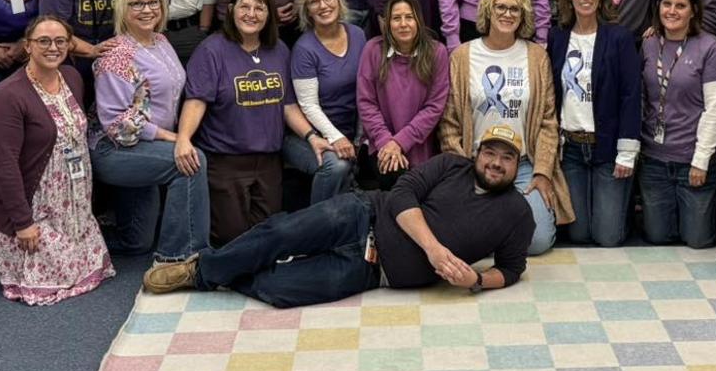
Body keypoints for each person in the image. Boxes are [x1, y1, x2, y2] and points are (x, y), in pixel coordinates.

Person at [139, 126, 536, 307]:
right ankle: (200, 271)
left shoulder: (517, 214)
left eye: (507, 158)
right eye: (491, 152)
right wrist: (433, 250)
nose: (496, 163)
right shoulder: (452, 164)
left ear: (518, 164)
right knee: (282, 231)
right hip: (362, 214)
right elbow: (401, 193)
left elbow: (513, 268)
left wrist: (478, 280)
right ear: (478, 152)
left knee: (282, 290)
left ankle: (229, 271)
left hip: (373, 271)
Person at [0, 15, 115, 305]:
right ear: (27, 46)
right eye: (43, 41)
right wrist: (22, 222)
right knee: (53, 284)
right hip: (31, 204)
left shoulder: (72, 77)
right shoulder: (7, 96)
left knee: (91, 272)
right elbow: (4, 164)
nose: (52, 47)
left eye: (60, 41)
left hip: (72, 204)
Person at [178, 0, 322, 243]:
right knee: (233, 240)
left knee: (269, 238)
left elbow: (288, 105)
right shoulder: (212, 50)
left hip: (268, 162)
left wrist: (312, 136)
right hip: (225, 162)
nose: (251, 14)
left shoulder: (279, 50)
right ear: (231, 10)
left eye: (259, 8)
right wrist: (183, 139)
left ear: (269, 15)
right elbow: (196, 100)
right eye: (244, 7)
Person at [91, 0, 210, 270]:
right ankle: (181, 256)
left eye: (153, 2)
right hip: (115, 149)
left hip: (145, 145)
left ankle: (94, 240)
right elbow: (116, 124)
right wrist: (172, 137)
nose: (147, 10)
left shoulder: (160, 41)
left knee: (138, 242)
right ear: (122, 8)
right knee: (192, 162)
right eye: (137, 4)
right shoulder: (117, 55)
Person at [439, 0, 567, 254]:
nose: (507, 14)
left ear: (523, 17)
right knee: (459, 236)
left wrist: (543, 172)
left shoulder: (536, 57)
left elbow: (547, 121)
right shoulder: (462, 56)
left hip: (522, 165)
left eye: (515, 9)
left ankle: (498, 226)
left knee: (538, 242)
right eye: (501, 7)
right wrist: (463, 168)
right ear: (488, 10)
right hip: (475, 164)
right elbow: (449, 122)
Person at [548, 0, 641, 247]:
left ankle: (617, 209)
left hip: (608, 148)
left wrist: (626, 152)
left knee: (607, 237)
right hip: (572, 149)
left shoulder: (619, 38)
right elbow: (552, 93)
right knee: (577, 234)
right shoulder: (557, 37)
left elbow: (631, 95)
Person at [639, 0, 716, 248]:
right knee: (657, 237)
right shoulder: (648, 43)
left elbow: (715, 109)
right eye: (666, 4)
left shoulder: (711, 47)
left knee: (697, 241)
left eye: (681, 5)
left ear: (694, 10)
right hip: (654, 159)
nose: (672, 11)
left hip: (693, 159)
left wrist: (701, 160)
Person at [281, 0, 363, 207]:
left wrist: (358, 138)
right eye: (315, 2)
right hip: (307, 135)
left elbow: (365, 91)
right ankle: (315, 228)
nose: (324, 5)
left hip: (349, 131)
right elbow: (308, 105)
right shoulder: (304, 49)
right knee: (336, 165)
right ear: (307, 10)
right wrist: (336, 137)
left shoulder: (357, 35)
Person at [357, 0, 450, 188]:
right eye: (396, 18)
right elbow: (367, 103)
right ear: (387, 23)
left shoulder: (437, 52)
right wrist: (386, 142)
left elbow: (434, 107)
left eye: (409, 17)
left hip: (420, 150)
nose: (403, 24)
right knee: (397, 181)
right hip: (381, 146)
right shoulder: (373, 50)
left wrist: (399, 142)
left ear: (419, 20)